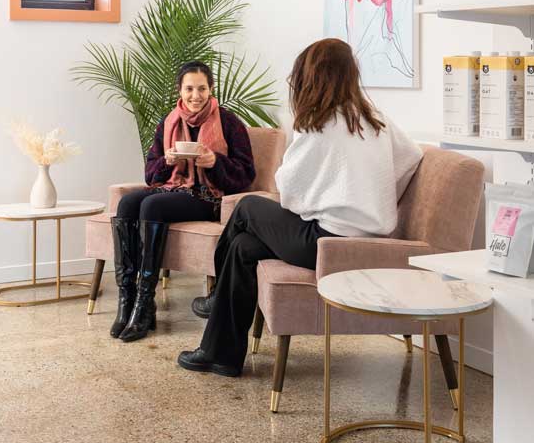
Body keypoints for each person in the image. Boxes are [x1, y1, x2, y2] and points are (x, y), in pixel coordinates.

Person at [177, 38, 422, 378]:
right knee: (243, 246)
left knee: (247, 206)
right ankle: (221, 355)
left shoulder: (318, 123)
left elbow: (288, 193)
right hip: (366, 241)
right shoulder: (374, 118)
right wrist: (375, 197)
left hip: (323, 243)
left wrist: (319, 202)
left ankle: (217, 297)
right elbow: (412, 157)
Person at [110, 60, 255, 343]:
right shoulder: (169, 122)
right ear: (180, 90)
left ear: (211, 89)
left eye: (202, 89)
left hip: (209, 198)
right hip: (174, 189)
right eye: (189, 89)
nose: (195, 95)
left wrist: (215, 162)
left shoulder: (229, 122)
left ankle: (144, 302)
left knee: (152, 206)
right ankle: (127, 299)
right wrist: (167, 161)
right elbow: (150, 175)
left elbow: (247, 174)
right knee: (127, 204)